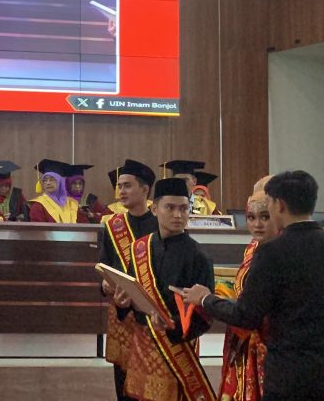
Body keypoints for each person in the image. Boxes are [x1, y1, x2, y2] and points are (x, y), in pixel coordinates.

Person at [181, 171, 324, 401]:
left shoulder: (270, 253)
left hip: (291, 379)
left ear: (279, 205)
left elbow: (246, 316)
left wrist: (205, 299)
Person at [121, 177, 216, 401]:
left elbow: (205, 314)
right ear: (154, 209)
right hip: (142, 345)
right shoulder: (140, 248)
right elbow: (132, 294)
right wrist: (122, 303)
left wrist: (173, 324)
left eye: (183, 208)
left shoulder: (199, 256)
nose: (178, 215)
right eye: (170, 208)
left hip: (176, 349)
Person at [97, 158, 158, 401]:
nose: (121, 191)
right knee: (123, 379)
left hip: (152, 313)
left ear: (144, 189)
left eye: (127, 185)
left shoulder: (160, 224)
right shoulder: (113, 225)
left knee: (151, 380)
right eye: (119, 186)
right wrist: (104, 286)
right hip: (122, 312)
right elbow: (104, 265)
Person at [216, 192, 275, 401]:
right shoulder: (252, 247)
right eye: (251, 217)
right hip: (243, 338)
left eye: (265, 217)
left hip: (268, 343)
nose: (257, 224)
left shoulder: (281, 252)